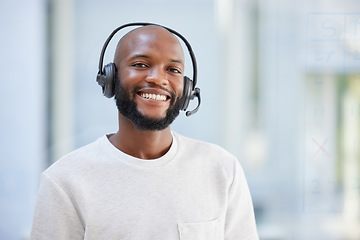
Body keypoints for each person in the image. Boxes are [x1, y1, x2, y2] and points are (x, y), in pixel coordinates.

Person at [31, 24, 259, 240]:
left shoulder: (222, 169)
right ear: (110, 78)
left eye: (173, 69)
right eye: (140, 64)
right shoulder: (64, 181)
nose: (158, 78)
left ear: (188, 90)